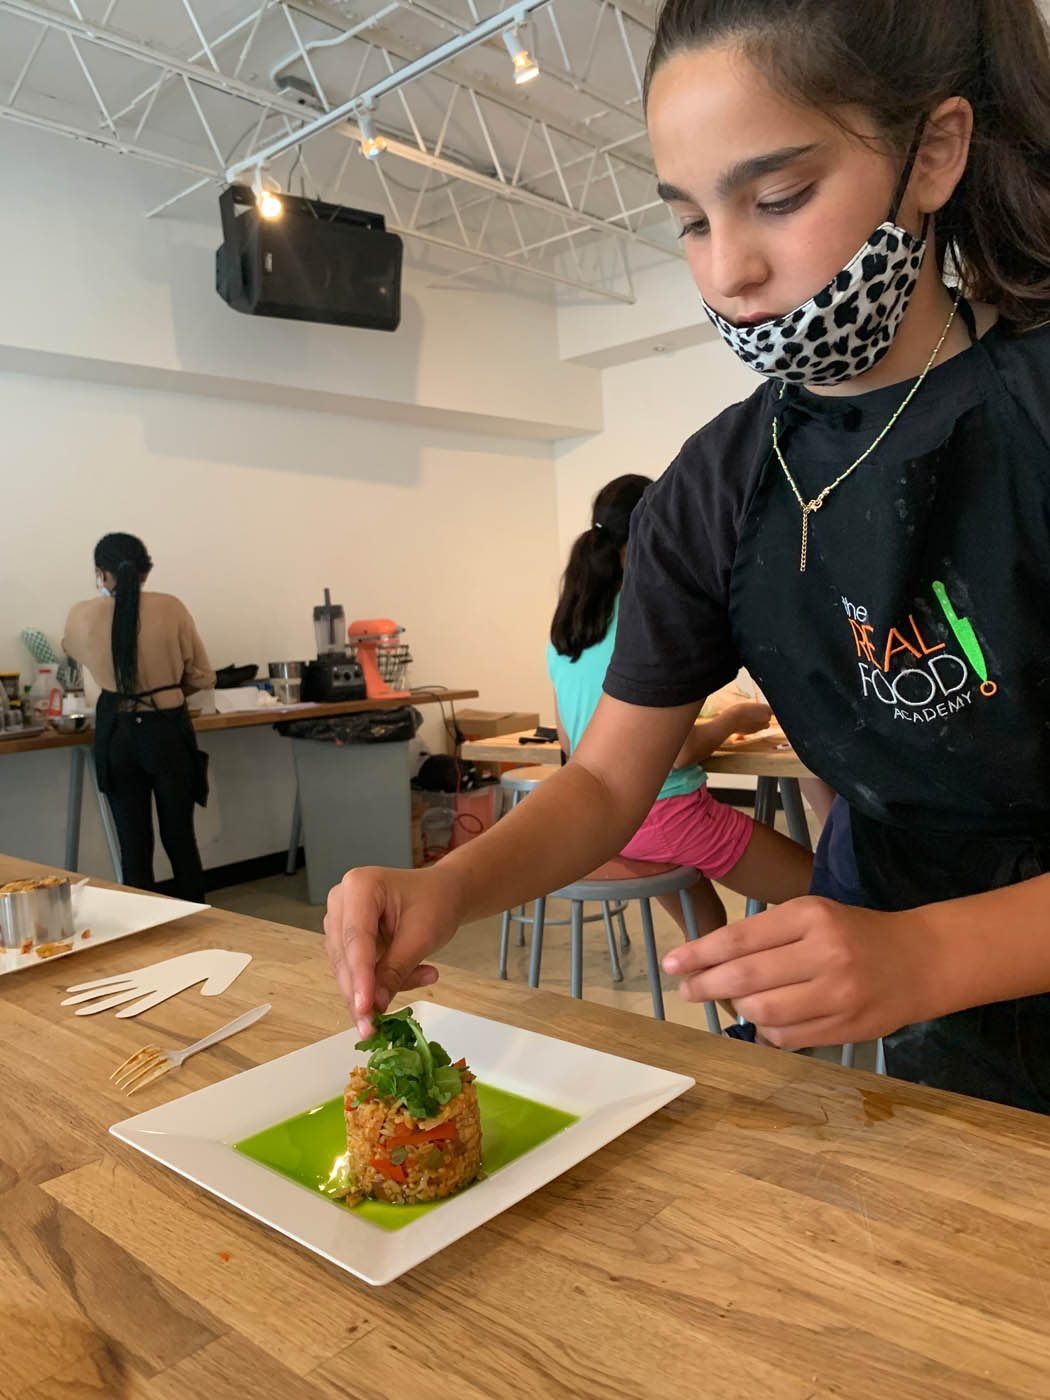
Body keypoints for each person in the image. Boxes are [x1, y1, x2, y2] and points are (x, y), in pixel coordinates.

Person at [326, 0, 1050, 1113]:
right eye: (690, 222)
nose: (729, 269)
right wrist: (449, 886)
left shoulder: (1031, 411)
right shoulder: (716, 489)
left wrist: (926, 954)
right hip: (944, 1049)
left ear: (934, 154)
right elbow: (604, 782)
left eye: (778, 198)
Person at [548, 472, 812, 934]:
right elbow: (681, 752)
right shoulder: (647, 621)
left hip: (609, 822)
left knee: (706, 925)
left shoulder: (567, 632)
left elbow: (571, 743)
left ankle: (726, 984)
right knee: (826, 888)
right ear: (657, 531)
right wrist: (734, 718)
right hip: (666, 815)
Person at [63, 533, 215, 902]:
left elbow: (71, 653)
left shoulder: (82, 614)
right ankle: (200, 918)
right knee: (180, 836)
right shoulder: (172, 608)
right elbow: (202, 677)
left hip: (116, 732)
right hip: (166, 729)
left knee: (132, 843)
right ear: (146, 570)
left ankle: (143, 926)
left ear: (102, 573)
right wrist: (167, 689)